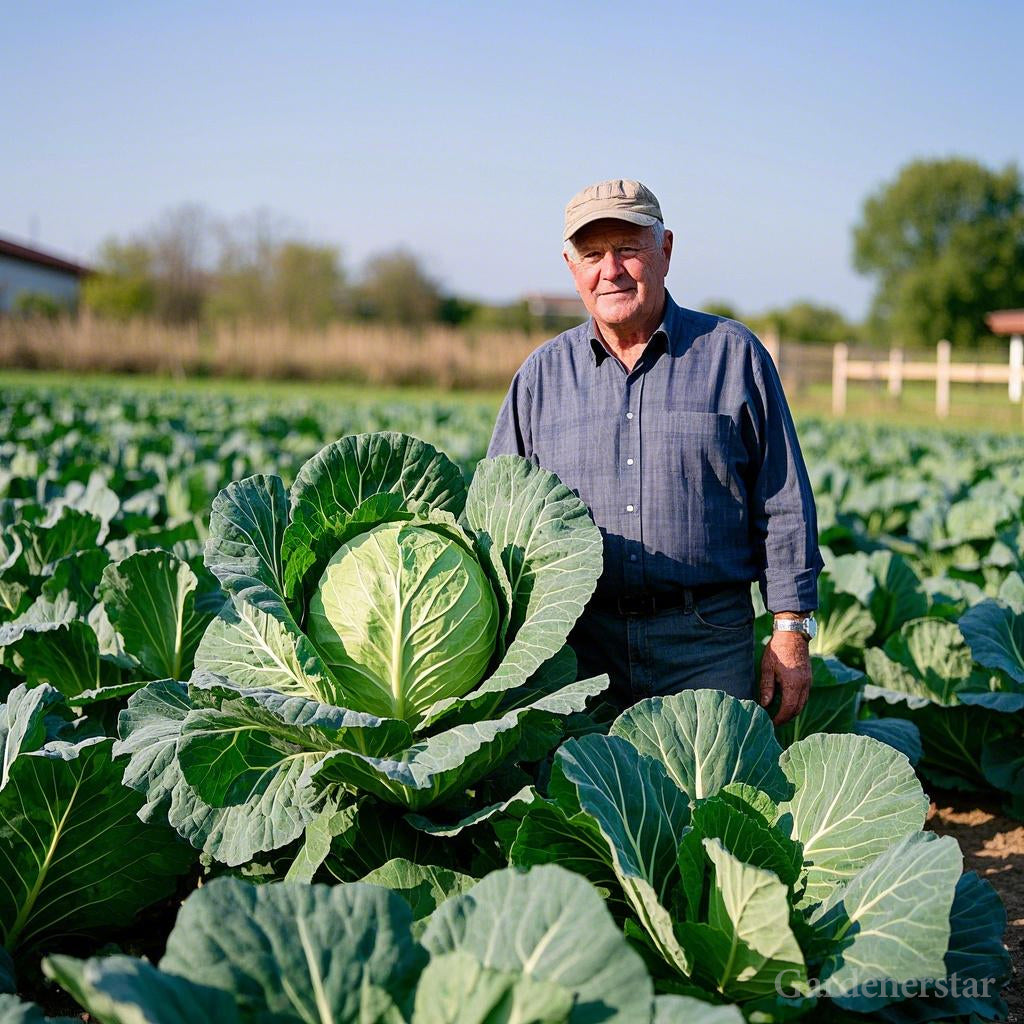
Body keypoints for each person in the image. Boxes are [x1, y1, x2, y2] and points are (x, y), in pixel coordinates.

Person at [487, 179, 823, 724]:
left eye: (628, 249)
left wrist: (791, 631)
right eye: (592, 255)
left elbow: (783, 504)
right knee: (585, 804)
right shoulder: (540, 379)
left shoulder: (732, 356)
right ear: (572, 268)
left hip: (704, 642)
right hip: (579, 648)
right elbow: (498, 521)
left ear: (665, 251)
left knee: (713, 801)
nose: (610, 270)